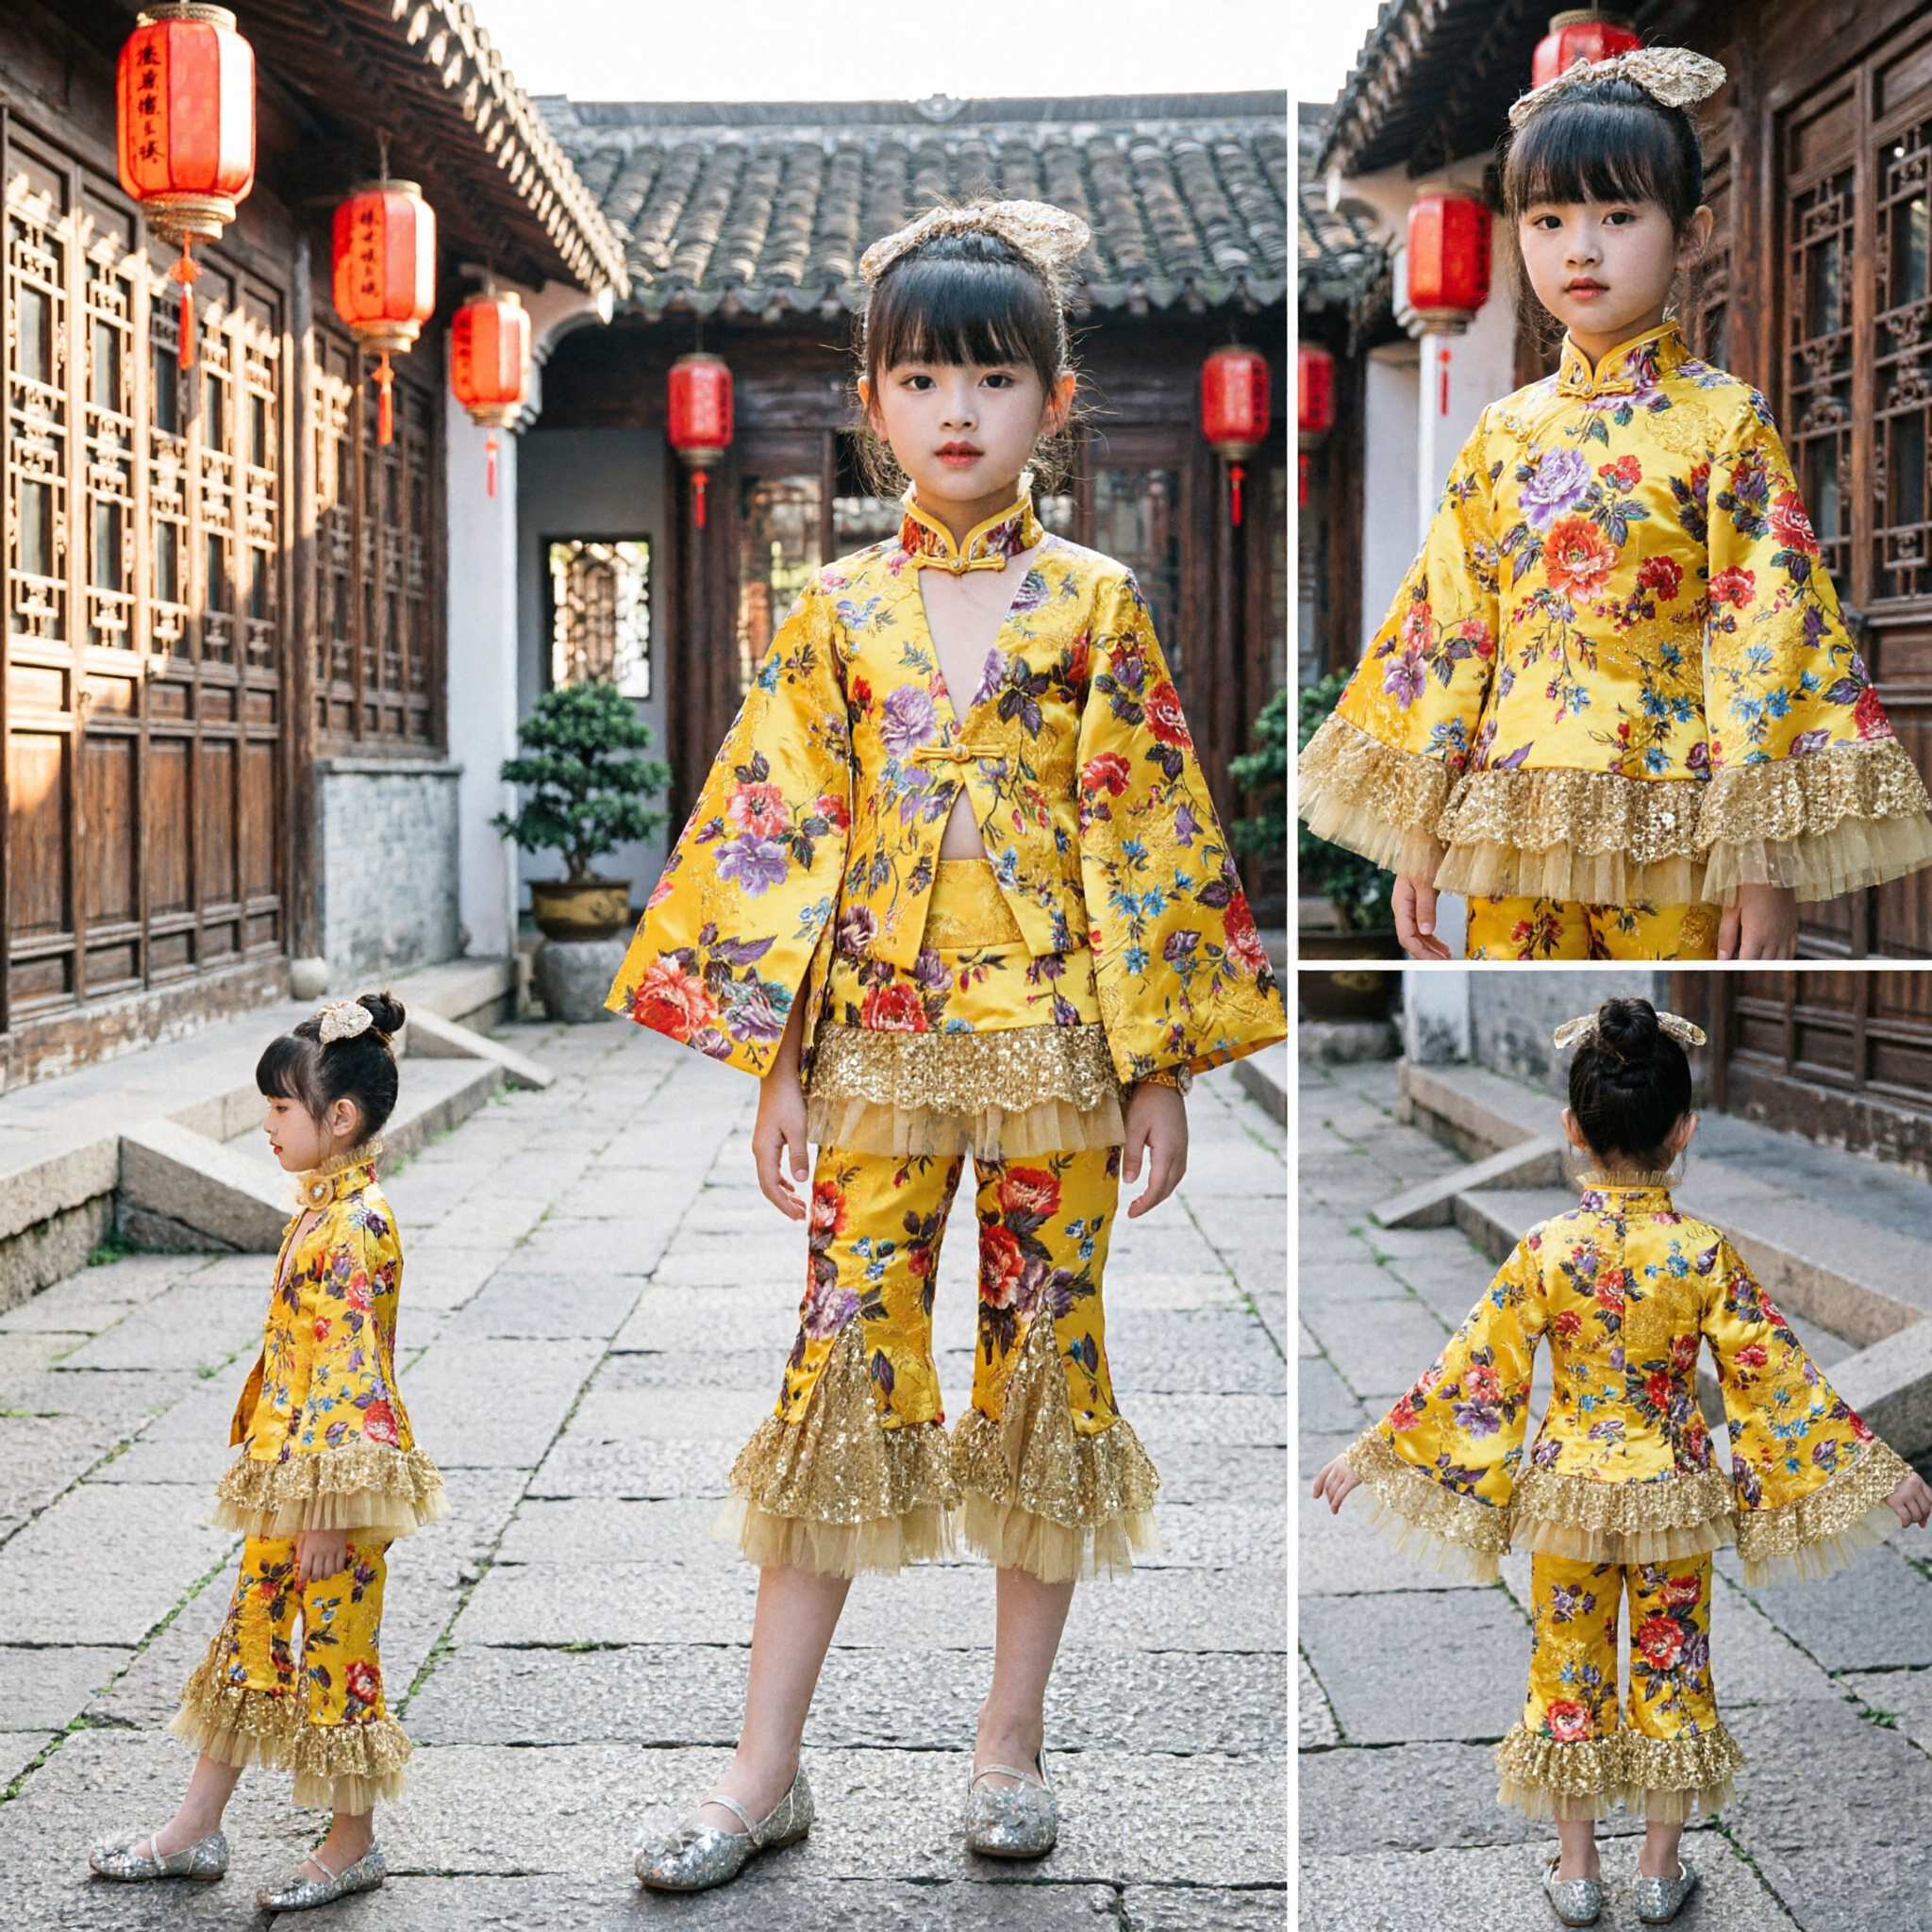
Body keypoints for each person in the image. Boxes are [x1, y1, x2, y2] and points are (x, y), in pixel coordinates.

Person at [607, 197, 1286, 1891]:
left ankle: (1008, 1743)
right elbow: (769, 829)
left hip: (1056, 1033)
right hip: (878, 1042)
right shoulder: (829, 608)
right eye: (923, 376)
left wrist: (1160, 1065)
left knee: (1046, 1367)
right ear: (872, 396)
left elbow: (1145, 831)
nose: (958, 409)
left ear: (1056, 402)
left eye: (995, 375)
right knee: (835, 1366)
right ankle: (762, 1769)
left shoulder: (1100, 604)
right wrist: (772, 1056)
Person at [1298, 45, 1932, 962]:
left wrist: (1760, 861)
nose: (1579, 247)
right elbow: (1450, 631)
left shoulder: (1723, 420)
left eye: (1617, 213)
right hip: (1513, 822)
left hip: (1674, 821)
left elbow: (1765, 636)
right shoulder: (1500, 434)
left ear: (1690, 232)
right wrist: (1418, 834)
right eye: (1547, 218)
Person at [1311, 996, 1932, 1926]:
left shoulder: (1544, 1250)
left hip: (1568, 1492)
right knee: (1672, 1667)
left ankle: (1573, 1869)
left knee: (1566, 1665)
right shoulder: (1698, 1252)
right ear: (1681, 1132)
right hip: (1671, 1492)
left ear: (1569, 1127)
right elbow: (1778, 1376)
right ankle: (1656, 1867)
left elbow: (1473, 1369)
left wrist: (1378, 1450)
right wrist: (1870, 1465)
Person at [90, 993, 443, 1913]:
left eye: (280, 1108)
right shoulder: (320, 1212)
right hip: (287, 1476)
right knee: (250, 1639)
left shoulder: (358, 1225)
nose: (266, 1124)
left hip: (337, 1497)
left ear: (340, 1117)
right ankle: (194, 1827)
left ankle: (351, 1839)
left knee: (337, 1653)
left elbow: (355, 1373)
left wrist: (330, 1511)